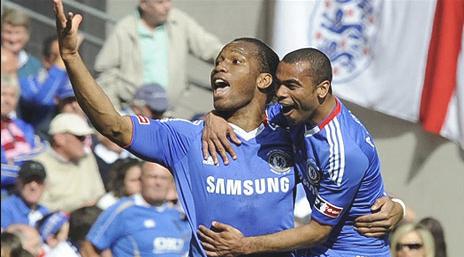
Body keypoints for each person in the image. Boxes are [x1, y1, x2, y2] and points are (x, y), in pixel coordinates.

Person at [51, 2, 401, 256]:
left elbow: (352, 167)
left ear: (264, 80)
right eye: (219, 61)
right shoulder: (185, 137)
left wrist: (395, 206)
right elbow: (113, 124)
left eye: (236, 61)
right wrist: (72, 58)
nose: (221, 67)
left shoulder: (289, 130)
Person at [198, 48, 404, 256]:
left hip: (350, 251)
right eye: (279, 84)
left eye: (292, 86)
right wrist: (215, 116)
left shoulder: (342, 150)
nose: (280, 93)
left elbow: (318, 231)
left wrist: (243, 246)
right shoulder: (295, 112)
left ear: (322, 89)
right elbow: (248, 117)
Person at [94, 0, 222, 117]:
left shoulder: (178, 21)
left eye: (168, 0)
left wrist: (236, 58)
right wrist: (115, 114)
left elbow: (209, 47)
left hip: (167, 112)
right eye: (160, 2)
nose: (167, 6)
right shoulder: (125, 29)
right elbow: (105, 73)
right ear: (143, 4)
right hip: (135, 113)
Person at [86, 162, 191, 257]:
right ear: (141, 180)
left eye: (163, 178)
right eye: (152, 177)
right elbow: (90, 247)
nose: (158, 183)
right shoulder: (123, 210)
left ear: (171, 183)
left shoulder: (180, 214)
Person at [34, 113, 105, 212]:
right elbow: (39, 206)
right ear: (59, 138)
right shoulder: (39, 165)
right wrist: (77, 206)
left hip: (91, 216)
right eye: (81, 137)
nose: (86, 142)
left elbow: (99, 193)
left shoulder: (87, 157)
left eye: (87, 137)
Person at [1, 161, 49, 229]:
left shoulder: (45, 212)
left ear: (45, 185)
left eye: (38, 181)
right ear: (18, 182)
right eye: (28, 180)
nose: (33, 186)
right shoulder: (5, 209)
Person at [1, 8, 41, 79]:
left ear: (27, 35)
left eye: (17, 32)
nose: (12, 39)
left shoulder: (35, 67)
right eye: (8, 32)